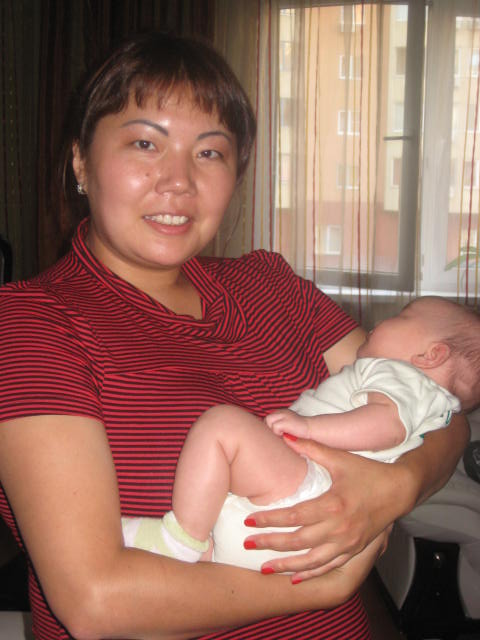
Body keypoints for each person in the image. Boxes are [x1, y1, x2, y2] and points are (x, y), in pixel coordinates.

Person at [0, 32, 469, 640]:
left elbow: (440, 405)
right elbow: (95, 602)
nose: (178, 181)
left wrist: (393, 488)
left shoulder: (270, 286)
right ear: (81, 163)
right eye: (145, 143)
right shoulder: (30, 323)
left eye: (210, 152)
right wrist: (321, 585)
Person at [122, 296, 479, 572]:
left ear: (432, 355)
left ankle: (180, 539)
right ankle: (202, 549)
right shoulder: (433, 406)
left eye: (402, 316)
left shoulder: (400, 376)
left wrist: (309, 428)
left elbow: (386, 426)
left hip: (310, 491)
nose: (384, 320)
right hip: (307, 529)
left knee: (222, 427)